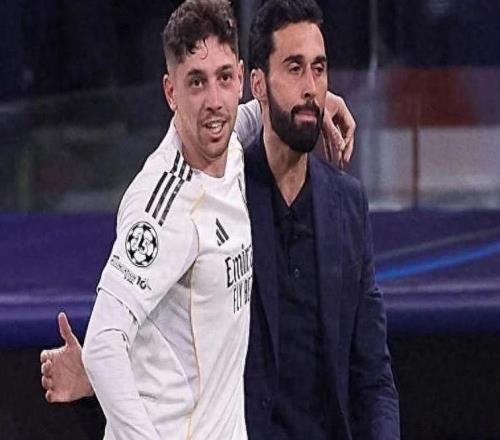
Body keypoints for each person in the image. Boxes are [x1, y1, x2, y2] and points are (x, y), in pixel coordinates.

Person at [40, 1, 363, 439]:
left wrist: (316, 103)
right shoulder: (163, 205)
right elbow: (102, 342)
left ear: (242, 78)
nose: (214, 102)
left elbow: (252, 116)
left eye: (224, 78)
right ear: (170, 92)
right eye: (196, 82)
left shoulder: (230, 144)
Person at [243, 1, 399, 439]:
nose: (311, 88)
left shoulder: (347, 204)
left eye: (319, 69)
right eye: (294, 68)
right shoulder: (224, 195)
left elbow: (373, 374)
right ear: (258, 84)